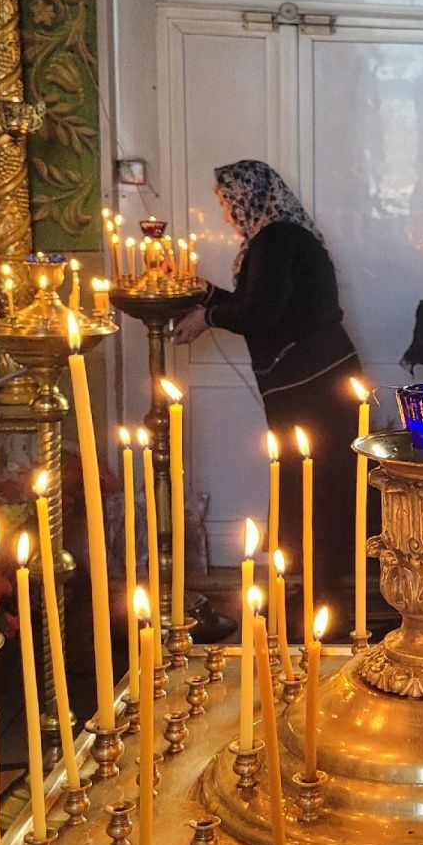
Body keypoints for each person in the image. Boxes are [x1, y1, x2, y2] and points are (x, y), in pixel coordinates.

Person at [175, 160, 362, 605]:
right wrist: (202, 294)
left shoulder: (276, 238)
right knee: (312, 482)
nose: (226, 213)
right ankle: (315, 593)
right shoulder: (279, 237)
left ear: (249, 196)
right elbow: (255, 303)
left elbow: (260, 313)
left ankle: (323, 602)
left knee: (317, 485)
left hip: (314, 386)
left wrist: (208, 317)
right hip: (312, 381)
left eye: (228, 202)